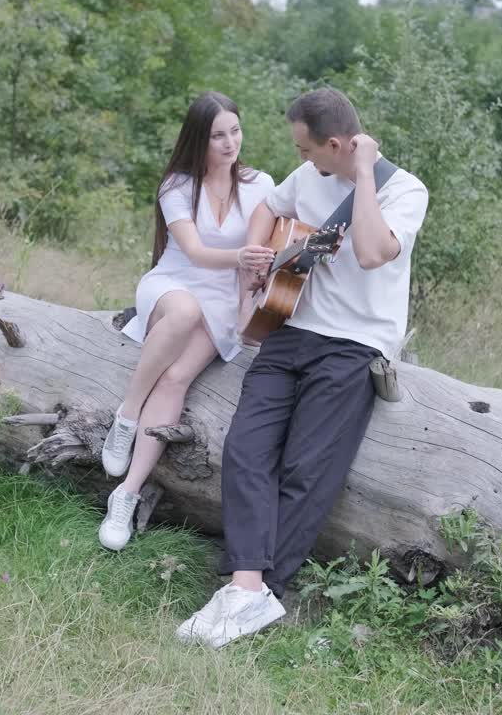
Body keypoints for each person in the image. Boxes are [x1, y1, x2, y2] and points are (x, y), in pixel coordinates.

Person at [177, 87, 429, 647]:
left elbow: (370, 252)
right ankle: (246, 588)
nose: (301, 160)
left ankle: (261, 590)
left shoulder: (405, 190)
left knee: (307, 470)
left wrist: (363, 175)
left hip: (353, 346)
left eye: (306, 149)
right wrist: (257, 261)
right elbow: (271, 208)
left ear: (337, 144)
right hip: (288, 327)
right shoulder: (309, 178)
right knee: (245, 447)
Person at [98, 92, 276, 551]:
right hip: (173, 283)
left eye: (235, 131)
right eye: (218, 135)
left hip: (220, 300)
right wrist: (240, 256)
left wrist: (244, 313)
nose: (230, 142)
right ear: (199, 139)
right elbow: (195, 253)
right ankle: (127, 414)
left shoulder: (260, 186)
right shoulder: (176, 186)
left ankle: (127, 492)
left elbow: (257, 264)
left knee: (177, 378)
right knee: (183, 311)